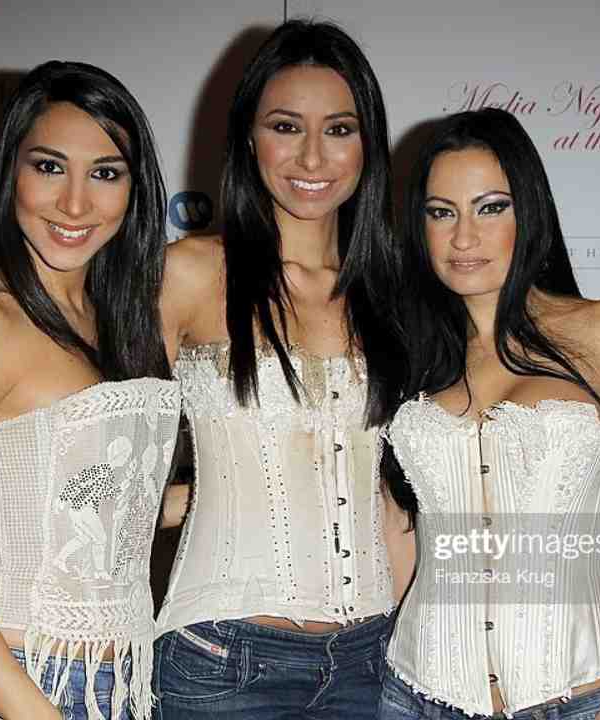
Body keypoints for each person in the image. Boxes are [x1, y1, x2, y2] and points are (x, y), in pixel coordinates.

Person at [377, 108, 600, 720]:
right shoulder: (408, 352)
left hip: (580, 698)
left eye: (490, 208)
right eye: (441, 212)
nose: (463, 237)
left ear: (529, 211)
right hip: (413, 695)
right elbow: (399, 527)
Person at [0, 61, 179, 720]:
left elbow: (91, 505)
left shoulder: (116, 317)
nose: (74, 204)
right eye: (49, 167)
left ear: (135, 188)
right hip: (9, 688)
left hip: (121, 685)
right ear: (9, 173)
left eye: (105, 173)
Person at [153, 19, 414, 719]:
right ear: (248, 137)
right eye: (285, 126)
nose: (313, 155)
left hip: (372, 661)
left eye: (339, 129)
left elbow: (391, 500)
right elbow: (93, 466)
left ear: (368, 143)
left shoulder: (391, 295)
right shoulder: (189, 274)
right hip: (222, 662)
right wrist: (192, 498)